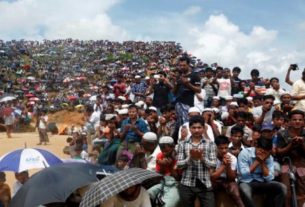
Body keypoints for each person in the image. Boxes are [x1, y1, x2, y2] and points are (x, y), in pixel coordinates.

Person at [177, 115, 217, 207]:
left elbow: (213, 165)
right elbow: (179, 165)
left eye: (199, 127)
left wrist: (201, 158)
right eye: (194, 127)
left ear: (203, 128)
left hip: (205, 183)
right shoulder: (182, 144)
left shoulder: (210, 144)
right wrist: (190, 158)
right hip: (186, 183)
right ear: (190, 128)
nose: (196, 130)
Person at [237, 137, 286, 207]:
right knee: (244, 189)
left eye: (265, 153)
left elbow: (270, 178)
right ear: (256, 147)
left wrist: (262, 162)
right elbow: (243, 174)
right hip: (247, 182)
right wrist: (257, 162)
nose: (263, 154)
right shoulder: (244, 153)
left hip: (262, 182)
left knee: (282, 188)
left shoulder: (269, 158)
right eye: (261, 151)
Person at [276, 110, 305, 207]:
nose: (297, 121)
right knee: (286, 189)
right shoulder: (282, 133)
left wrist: (302, 144)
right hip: (287, 162)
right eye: (294, 119)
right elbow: (278, 152)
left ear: (303, 121)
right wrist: (291, 144)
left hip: (302, 163)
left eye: (300, 120)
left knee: (302, 189)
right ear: (290, 121)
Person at [211, 135, 245, 207]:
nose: (224, 150)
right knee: (210, 186)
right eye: (221, 148)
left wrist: (228, 165)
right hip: (214, 181)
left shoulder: (232, 158)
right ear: (215, 147)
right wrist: (223, 165)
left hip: (227, 180)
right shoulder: (211, 157)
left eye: (226, 148)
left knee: (234, 189)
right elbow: (212, 177)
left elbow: (232, 178)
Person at [173, 55, 201, 128]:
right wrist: (176, 82)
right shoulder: (179, 76)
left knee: (187, 124)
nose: (182, 67)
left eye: (184, 65)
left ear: (188, 65)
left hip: (188, 104)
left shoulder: (194, 76)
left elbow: (198, 90)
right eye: (180, 65)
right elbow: (174, 92)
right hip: (178, 104)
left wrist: (187, 84)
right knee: (180, 125)